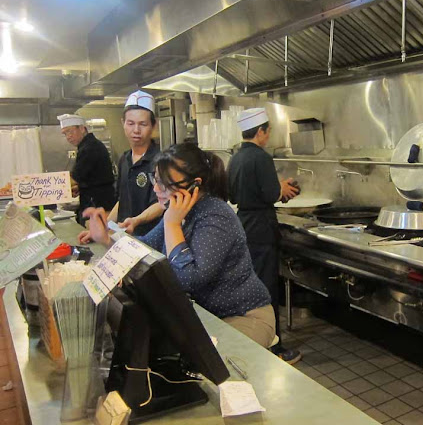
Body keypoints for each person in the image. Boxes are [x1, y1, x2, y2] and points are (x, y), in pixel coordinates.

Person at [83, 143, 276, 348]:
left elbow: (188, 279)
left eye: (165, 184)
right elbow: (145, 249)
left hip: (244, 317)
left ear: (195, 184)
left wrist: (172, 224)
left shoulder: (215, 216)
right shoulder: (178, 212)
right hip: (206, 317)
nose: (156, 189)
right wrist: (106, 239)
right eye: (155, 181)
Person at [227, 107, 301, 364]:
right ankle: (274, 346)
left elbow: (233, 196)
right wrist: (281, 188)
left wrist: (276, 187)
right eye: (267, 131)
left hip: (244, 225)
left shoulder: (235, 158)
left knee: (252, 285)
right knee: (268, 288)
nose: (268, 136)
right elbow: (271, 195)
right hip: (262, 227)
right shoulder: (261, 157)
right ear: (260, 132)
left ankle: (255, 338)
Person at [79, 90, 164, 243]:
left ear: (153, 125)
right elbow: (122, 200)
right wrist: (103, 229)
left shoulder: (161, 160)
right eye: (130, 123)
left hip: (151, 240)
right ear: (123, 123)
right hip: (125, 239)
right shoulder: (124, 160)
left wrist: (137, 220)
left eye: (143, 124)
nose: (136, 130)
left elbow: (162, 203)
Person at [57, 114, 116, 224]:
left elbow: (74, 179)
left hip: (98, 203)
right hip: (95, 200)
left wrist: (48, 190)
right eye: (65, 134)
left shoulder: (90, 147)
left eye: (70, 131)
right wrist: (79, 187)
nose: (68, 136)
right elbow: (90, 177)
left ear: (82, 128)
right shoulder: (87, 145)